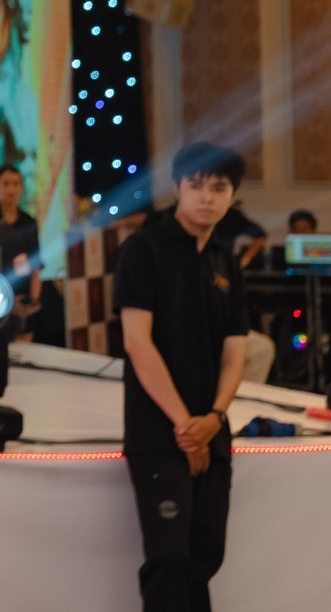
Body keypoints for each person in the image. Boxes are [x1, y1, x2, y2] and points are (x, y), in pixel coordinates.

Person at [115, 142, 249, 612]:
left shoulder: (226, 262)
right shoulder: (144, 249)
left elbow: (236, 353)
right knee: (169, 557)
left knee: (204, 556)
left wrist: (214, 418)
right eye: (196, 185)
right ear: (177, 188)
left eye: (219, 188)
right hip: (159, 432)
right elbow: (138, 343)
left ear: (232, 195)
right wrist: (184, 425)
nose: (207, 197)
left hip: (212, 431)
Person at [0, 164, 42, 332]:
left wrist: (33, 301)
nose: (11, 190)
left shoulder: (28, 221)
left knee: (24, 342)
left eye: (16, 184)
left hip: (22, 298)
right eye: (5, 184)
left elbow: (36, 265)